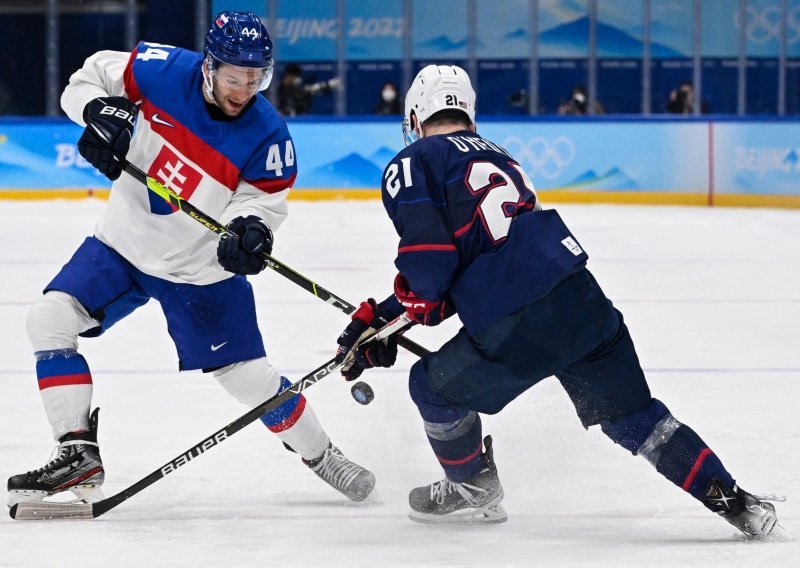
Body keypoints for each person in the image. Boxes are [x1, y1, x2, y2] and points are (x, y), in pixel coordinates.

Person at [333, 64, 780, 536]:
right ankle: (736, 502)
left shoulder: (414, 160)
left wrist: (393, 321)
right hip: (579, 298)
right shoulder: (502, 158)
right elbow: (478, 260)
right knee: (636, 419)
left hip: (515, 317)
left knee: (429, 387)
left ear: (416, 116)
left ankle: (472, 487)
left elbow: (432, 269)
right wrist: (385, 319)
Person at [7, 11, 375, 508]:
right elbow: (84, 80)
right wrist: (99, 110)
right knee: (49, 320)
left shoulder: (268, 135)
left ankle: (322, 454)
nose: (244, 90)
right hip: (121, 246)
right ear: (208, 65)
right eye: (234, 77)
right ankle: (77, 455)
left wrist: (251, 230)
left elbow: (263, 203)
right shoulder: (158, 69)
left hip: (198, 272)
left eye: (255, 78)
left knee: (250, 381)